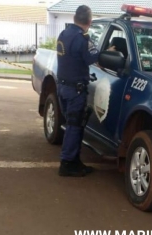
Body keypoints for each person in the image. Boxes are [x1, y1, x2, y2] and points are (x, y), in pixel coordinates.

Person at [56, 5, 100, 177]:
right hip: (75, 91)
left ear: (75, 18)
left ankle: (74, 161)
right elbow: (94, 58)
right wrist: (109, 52)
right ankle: (67, 164)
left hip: (63, 87)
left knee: (72, 125)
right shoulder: (82, 39)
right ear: (89, 22)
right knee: (74, 127)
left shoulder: (64, 34)